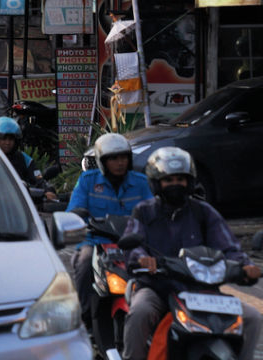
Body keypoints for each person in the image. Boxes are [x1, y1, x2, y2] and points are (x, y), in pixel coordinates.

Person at [120, 147, 261, 360]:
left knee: (252, 318)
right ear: (157, 183)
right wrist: (142, 259)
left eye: (180, 179)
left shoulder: (204, 212)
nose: (175, 184)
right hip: (157, 288)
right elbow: (133, 243)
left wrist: (245, 265)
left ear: (190, 181)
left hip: (201, 292)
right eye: (168, 180)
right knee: (140, 312)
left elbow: (229, 247)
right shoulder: (144, 211)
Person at [67, 133, 152, 330]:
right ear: (102, 161)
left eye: (123, 157)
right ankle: (85, 319)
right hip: (96, 240)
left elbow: (153, 210)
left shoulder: (140, 181)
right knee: (84, 262)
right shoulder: (88, 180)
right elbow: (74, 210)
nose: (119, 163)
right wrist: (78, 216)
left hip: (134, 241)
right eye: (113, 158)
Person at [0, 117, 55, 199]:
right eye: (3, 139)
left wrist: (47, 190)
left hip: (20, 202)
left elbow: (38, 177)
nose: (7, 143)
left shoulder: (24, 159)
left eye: (11, 139)